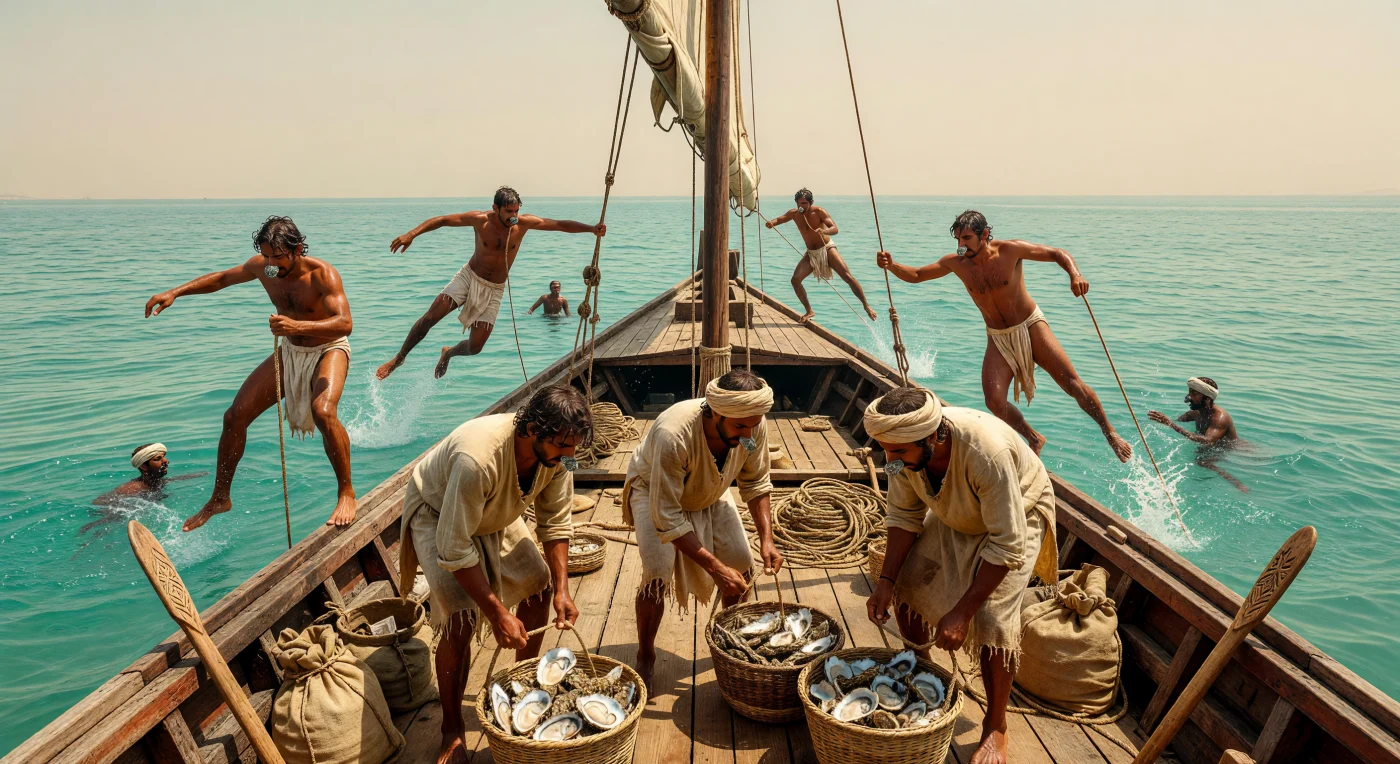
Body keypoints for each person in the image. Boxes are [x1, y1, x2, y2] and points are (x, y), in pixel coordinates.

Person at [397, 385, 590, 764]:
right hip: (439, 513)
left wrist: (563, 591)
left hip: (496, 511)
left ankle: (524, 691)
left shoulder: (562, 457)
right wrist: (497, 612)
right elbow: (453, 546)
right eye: (563, 446)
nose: (570, 457)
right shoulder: (478, 459)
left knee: (539, 585)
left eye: (575, 447)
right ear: (532, 429)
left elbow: (556, 522)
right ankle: (451, 730)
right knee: (460, 619)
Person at [863, 386, 1056, 764]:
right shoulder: (902, 454)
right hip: (957, 510)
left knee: (992, 620)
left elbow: (1007, 544)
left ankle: (996, 725)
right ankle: (920, 676)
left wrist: (962, 612)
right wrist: (885, 582)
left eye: (898, 452)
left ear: (934, 436)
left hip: (1018, 516)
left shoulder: (987, 453)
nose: (890, 460)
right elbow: (904, 517)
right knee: (908, 586)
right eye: (885, 450)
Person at [145, 216, 357, 531]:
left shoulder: (322, 275)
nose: (270, 263)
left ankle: (346, 492)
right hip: (290, 351)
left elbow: (345, 324)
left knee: (323, 411)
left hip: (329, 348)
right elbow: (221, 279)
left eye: (278, 256)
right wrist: (176, 292)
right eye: (266, 255)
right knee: (234, 416)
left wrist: (297, 326)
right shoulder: (263, 266)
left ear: (297, 249)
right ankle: (220, 497)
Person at [876, 210, 1133, 462]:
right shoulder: (955, 263)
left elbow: (1057, 253)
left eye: (966, 239)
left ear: (984, 234)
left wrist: (1075, 275)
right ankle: (1033, 438)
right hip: (997, 336)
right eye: (957, 240)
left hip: (1031, 326)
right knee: (995, 402)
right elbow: (918, 275)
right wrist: (892, 265)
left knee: (1072, 385)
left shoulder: (1010, 250)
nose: (961, 245)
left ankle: (1109, 432)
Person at [621, 369, 784, 690]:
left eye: (753, 425)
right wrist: (714, 567)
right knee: (657, 572)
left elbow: (756, 481)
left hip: (710, 486)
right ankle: (645, 655)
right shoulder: (674, 434)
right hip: (654, 488)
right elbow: (666, 515)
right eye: (740, 426)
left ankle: (729, 641)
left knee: (741, 563)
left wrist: (767, 540)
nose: (748, 433)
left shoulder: (751, 423)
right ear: (716, 413)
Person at [375, 187, 604, 380]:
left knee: (475, 348)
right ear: (495, 208)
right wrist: (411, 234)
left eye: (516, 210)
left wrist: (591, 229)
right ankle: (399, 358)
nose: (513, 216)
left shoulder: (522, 224)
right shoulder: (480, 220)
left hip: (494, 289)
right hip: (469, 277)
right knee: (431, 317)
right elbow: (442, 220)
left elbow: (560, 225)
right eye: (508, 211)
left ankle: (449, 353)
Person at [764, 188, 879, 323]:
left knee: (847, 276)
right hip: (811, 253)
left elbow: (834, 228)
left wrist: (825, 231)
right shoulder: (794, 214)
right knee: (795, 280)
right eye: (799, 203)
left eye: (804, 203)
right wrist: (772, 222)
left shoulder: (819, 212)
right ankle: (809, 311)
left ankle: (866, 306)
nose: (801, 206)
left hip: (827, 248)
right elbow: (781, 219)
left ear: (811, 202)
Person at [1150, 376, 1247, 492]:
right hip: (1215, 447)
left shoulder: (1220, 417)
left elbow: (1208, 440)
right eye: (1189, 392)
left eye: (1194, 394)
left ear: (1207, 398)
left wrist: (1171, 424)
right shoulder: (1196, 413)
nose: (1188, 397)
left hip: (1233, 450)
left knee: (1202, 462)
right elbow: (1176, 421)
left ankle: (1238, 484)